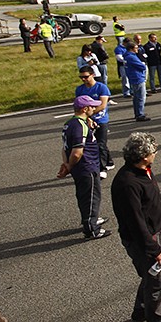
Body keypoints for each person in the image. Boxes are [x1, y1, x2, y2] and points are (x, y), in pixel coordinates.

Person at [110, 131, 161, 322]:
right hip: (147, 240)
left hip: (158, 232)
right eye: (154, 151)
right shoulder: (128, 183)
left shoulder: (145, 170)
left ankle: (141, 309)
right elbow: (135, 222)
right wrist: (155, 250)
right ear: (144, 156)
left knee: (153, 275)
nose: (156, 154)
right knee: (156, 281)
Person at [57, 95, 111, 240]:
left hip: (82, 168)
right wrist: (69, 164)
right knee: (91, 197)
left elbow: (64, 148)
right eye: (92, 107)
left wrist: (67, 164)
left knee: (86, 195)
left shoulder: (70, 123)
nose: (94, 108)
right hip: (87, 167)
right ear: (85, 109)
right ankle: (91, 229)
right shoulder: (80, 126)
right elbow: (76, 152)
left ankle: (91, 218)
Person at [76, 65, 113, 177]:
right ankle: (109, 161)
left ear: (92, 75)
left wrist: (91, 115)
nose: (83, 79)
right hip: (87, 120)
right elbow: (79, 106)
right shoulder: (80, 89)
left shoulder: (101, 88)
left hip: (101, 120)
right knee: (94, 143)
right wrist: (87, 118)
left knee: (100, 143)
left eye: (86, 77)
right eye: (81, 77)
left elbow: (102, 105)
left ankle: (102, 169)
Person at [122, 39, 150, 121]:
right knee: (140, 97)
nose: (137, 49)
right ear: (131, 49)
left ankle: (138, 113)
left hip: (133, 77)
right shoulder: (131, 57)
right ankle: (140, 114)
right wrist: (142, 64)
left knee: (136, 97)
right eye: (136, 48)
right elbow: (142, 66)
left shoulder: (127, 56)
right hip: (137, 78)